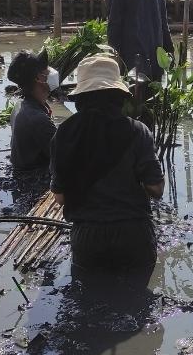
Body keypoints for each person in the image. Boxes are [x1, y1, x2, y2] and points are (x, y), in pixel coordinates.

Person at [50, 54, 165, 273]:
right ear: (119, 96)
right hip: (134, 235)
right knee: (138, 302)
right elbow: (156, 189)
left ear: (81, 98)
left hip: (88, 239)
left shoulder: (63, 134)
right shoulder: (137, 131)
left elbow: (60, 197)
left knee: (88, 300)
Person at [6, 49, 59, 172]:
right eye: (46, 68)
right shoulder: (37, 118)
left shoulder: (20, 105)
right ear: (39, 78)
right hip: (33, 180)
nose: (51, 71)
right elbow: (64, 158)